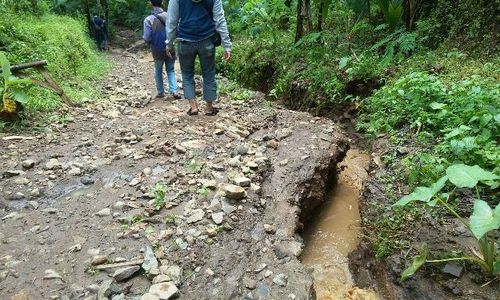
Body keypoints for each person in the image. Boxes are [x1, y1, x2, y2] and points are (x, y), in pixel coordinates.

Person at [165, 0, 232, 115]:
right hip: (207, 40)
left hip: (185, 41)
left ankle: (193, 107)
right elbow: (220, 20)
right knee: (209, 74)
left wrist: (169, 44)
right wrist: (227, 45)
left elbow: (172, 21)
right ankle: (209, 108)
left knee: (187, 75)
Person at [143, 0, 181, 99]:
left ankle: (160, 92)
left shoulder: (148, 20)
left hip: (157, 49)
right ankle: (174, 91)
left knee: (158, 70)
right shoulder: (170, 16)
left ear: (151, 4)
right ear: (162, 3)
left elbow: (147, 38)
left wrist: (150, 43)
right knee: (171, 70)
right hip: (170, 47)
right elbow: (177, 31)